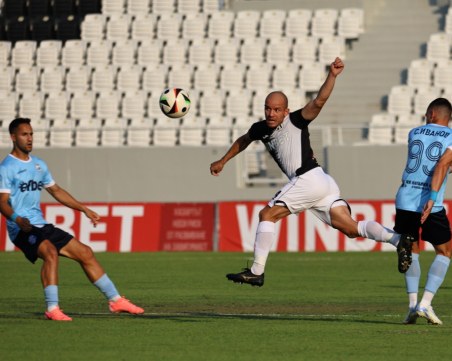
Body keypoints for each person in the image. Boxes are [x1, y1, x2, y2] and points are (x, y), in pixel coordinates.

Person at [210, 57, 413, 288]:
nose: (271, 113)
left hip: (308, 179)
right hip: (323, 182)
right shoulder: (260, 128)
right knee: (350, 228)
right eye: (268, 108)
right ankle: (398, 239)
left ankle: (257, 271)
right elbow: (244, 140)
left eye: (277, 109)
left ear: (285, 111)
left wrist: (332, 76)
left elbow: (318, 102)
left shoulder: (295, 121)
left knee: (266, 215)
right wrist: (223, 160)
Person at [0, 118, 144, 321]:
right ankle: (52, 308)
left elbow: (56, 191)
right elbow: (2, 202)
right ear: (13, 137)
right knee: (50, 252)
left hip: (40, 225)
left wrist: (83, 209)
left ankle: (116, 300)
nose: (30, 138)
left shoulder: (39, 165)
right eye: (25, 134)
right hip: (21, 228)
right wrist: (16, 218)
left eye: (31, 134)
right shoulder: (6, 167)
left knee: (85, 253)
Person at [394, 98, 452, 326]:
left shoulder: (413, 132)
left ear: (431, 114)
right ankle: (425, 303)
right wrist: (433, 197)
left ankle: (412, 306)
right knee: (445, 251)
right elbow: (441, 165)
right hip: (430, 202)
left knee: (411, 249)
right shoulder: (450, 136)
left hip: (405, 198)